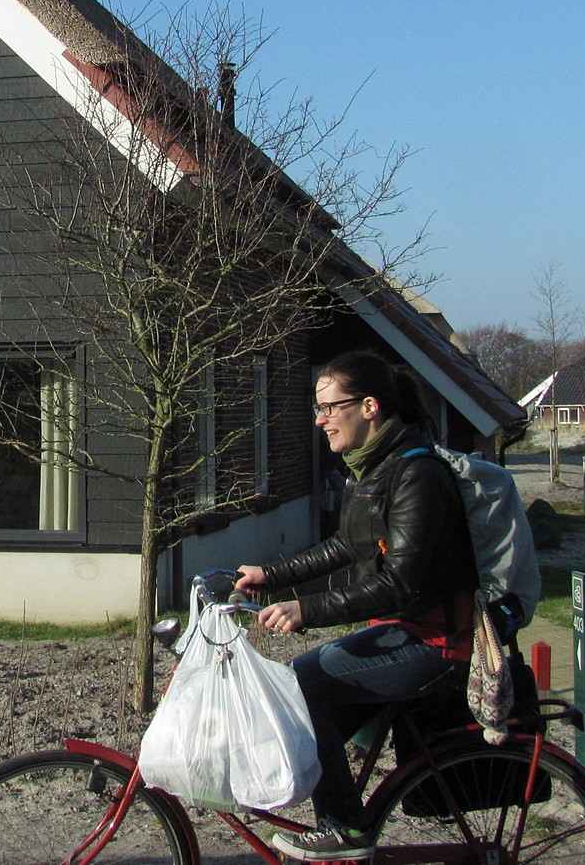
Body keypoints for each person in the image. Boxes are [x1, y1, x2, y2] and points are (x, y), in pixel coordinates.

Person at [234, 352, 478, 862]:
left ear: (369, 407)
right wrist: (270, 576)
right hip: (404, 631)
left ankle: (344, 828)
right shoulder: (375, 468)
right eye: (317, 408)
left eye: (329, 408)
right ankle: (332, 809)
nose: (319, 420)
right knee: (303, 704)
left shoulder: (416, 474)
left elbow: (401, 583)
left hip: (434, 643)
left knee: (302, 684)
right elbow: (347, 545)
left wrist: (307, 609)